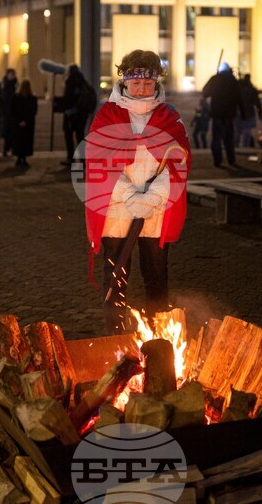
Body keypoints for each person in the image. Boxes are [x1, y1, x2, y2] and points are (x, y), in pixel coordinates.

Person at [85, 49, 191, 335]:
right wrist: (131, 196)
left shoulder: (169, 116)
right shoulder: (108, 115)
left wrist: (152, 198)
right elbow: (97, 162)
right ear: (124, 81)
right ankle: (116, 339)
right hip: (116, 211)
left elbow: (178, 161)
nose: (142, 89)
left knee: (156, 277)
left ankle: (157, 339)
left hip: (155, 212)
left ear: (156, 82)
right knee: (115, 279)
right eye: (136, 83)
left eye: (148, 83)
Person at [201, 63, 248, 167]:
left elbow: (205, 92)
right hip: (229, 115)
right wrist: (243, 113)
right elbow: (239, 98)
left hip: (217, 114)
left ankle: (217, 160)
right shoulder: (233, 81)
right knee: (229, 138)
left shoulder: (215, 79)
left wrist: (213, 81)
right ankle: (231, 160)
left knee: (216, 138)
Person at [53, 64, 96, 165]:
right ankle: (83, 159)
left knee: (68, 135)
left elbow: (69, 99)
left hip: (72, 114)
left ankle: (70, 158)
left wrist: (59, 102)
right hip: (82, 114)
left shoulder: (70, 81)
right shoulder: (83, 81)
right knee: (80, 135)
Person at [10, 79, 38, 167]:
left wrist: (19, 121)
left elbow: (12, 110)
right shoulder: (33, 98)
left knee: (18, 140)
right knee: (26, 141)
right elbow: (33, 111)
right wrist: (26, 121)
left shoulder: (15, 97)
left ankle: (18, 158)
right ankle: (24, 159)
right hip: (28, 124)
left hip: (18, 124)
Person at [0, 69, 18, 156]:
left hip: (14, 111)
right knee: (7, 132)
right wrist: (0, 99)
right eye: (9, 74)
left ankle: (12, 148)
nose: (11, 76)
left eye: (12, 74)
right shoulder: (2, 84)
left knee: (14, 132)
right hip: (4, 112)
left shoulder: (17, 85)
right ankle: (6, 149)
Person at [236, 73, 262, 147]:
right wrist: (260, 114)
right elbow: (257, 103)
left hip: (242, 114)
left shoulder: (241, 89)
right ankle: (244, 146)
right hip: (246, 114)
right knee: (245, 132)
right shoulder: (251, 90)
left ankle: (237, 146)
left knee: (240, 132)